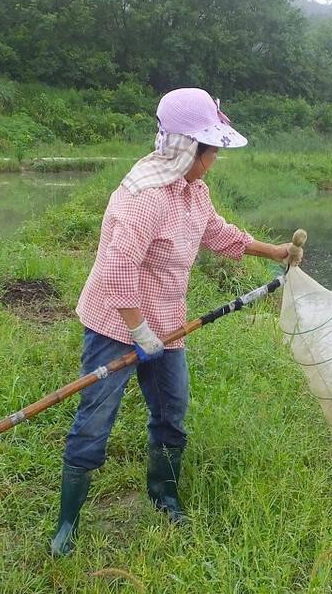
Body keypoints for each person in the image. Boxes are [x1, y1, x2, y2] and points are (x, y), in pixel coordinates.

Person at [51, 87, 302, 556]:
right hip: (114, 323)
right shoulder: (144, 196)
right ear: (188, 147)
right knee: (94, 419)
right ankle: (67, 524)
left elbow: (217, 233)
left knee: (172, 412)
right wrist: (138, 330)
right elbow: (117, 266)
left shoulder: (193, 191)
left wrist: (274, 251)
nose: (213, 161)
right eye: (210, 152)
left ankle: (163, 495)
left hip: (167, 325)